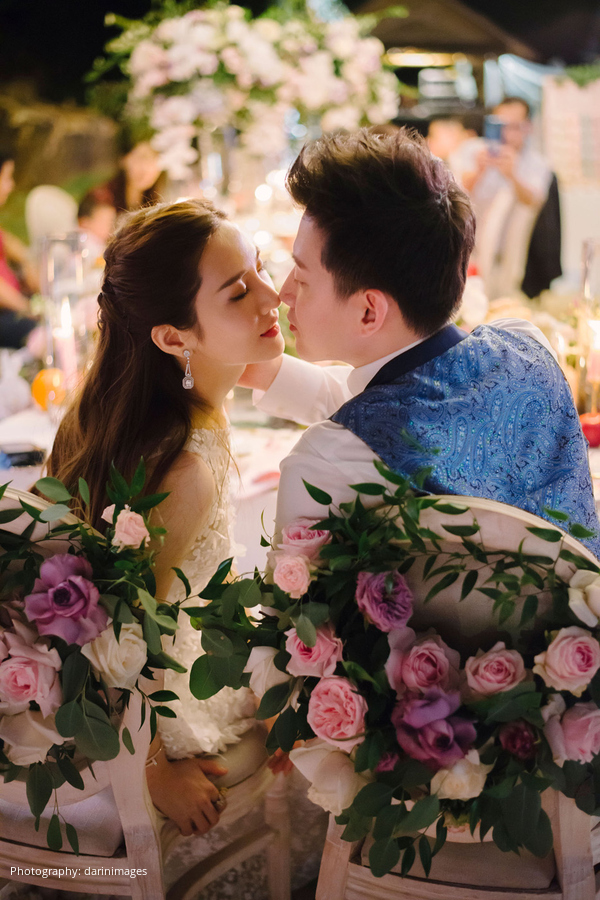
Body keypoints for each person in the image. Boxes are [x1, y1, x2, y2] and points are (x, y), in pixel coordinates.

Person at [241, 128, 600, 558]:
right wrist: (267, 373)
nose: (283, 293)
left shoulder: (321, 465)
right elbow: (413, 404)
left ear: (369, 312)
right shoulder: (528, 345)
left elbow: (289, 608)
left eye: (301, 277)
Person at [47, 200, 286, 843]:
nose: (272, 296)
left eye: (260, 269)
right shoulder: (185, 471)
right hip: (156, 700)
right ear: (174, 338)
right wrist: (152, 769)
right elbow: (119, 638)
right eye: (238, 292)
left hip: (192, 642)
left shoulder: (177, 406)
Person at [454, 97, 552, 298]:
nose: (506, 133)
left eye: (514, 126)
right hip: (467, 255)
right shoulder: (473, 150)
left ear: (528, 127)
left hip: (510, 262)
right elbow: (454, 193)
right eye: (499, 125)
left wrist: (513, 175)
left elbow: (534, 202)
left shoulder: (537, 163)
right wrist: (478, 172)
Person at [0, 149, 40, 349]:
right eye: (7, 178)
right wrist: (29, 308)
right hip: (5, 313)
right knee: (42, 331)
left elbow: (9, 242)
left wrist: (27, 262)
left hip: (13, 305)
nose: (11, 185)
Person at [100, 124, 166, 216]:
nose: (146, 167)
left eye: (154, 160)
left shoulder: (157, 208)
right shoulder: (103, 198)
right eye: (141, 157)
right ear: (123, 159)